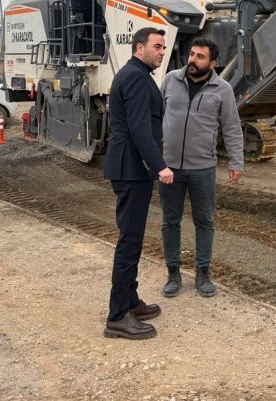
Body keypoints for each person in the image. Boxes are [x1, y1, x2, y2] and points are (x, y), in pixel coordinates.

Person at [103, 27, 174, 340]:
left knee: (133, 239)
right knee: (129, 242)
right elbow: (140, 129)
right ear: (139, 47)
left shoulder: (138, 74)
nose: (162, 51)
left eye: (163, 47)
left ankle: (130, 301)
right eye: (157, 46)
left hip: (132, 169)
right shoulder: (135, 76)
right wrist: (160, 166)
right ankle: (118, 316)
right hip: (131, 169)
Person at [159, 37, 244, 299]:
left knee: (204, 221)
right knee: (170, 221)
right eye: (192, 54)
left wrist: (236, 161)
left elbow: (231, 127)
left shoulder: (223, 89)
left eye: (200, 56)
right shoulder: (170, 80)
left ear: (213, 63)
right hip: (170, 167)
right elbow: (155, 116)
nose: (193, 60)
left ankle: (202, 274)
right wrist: (153, 156)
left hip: (203, 168)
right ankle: (173, 273)